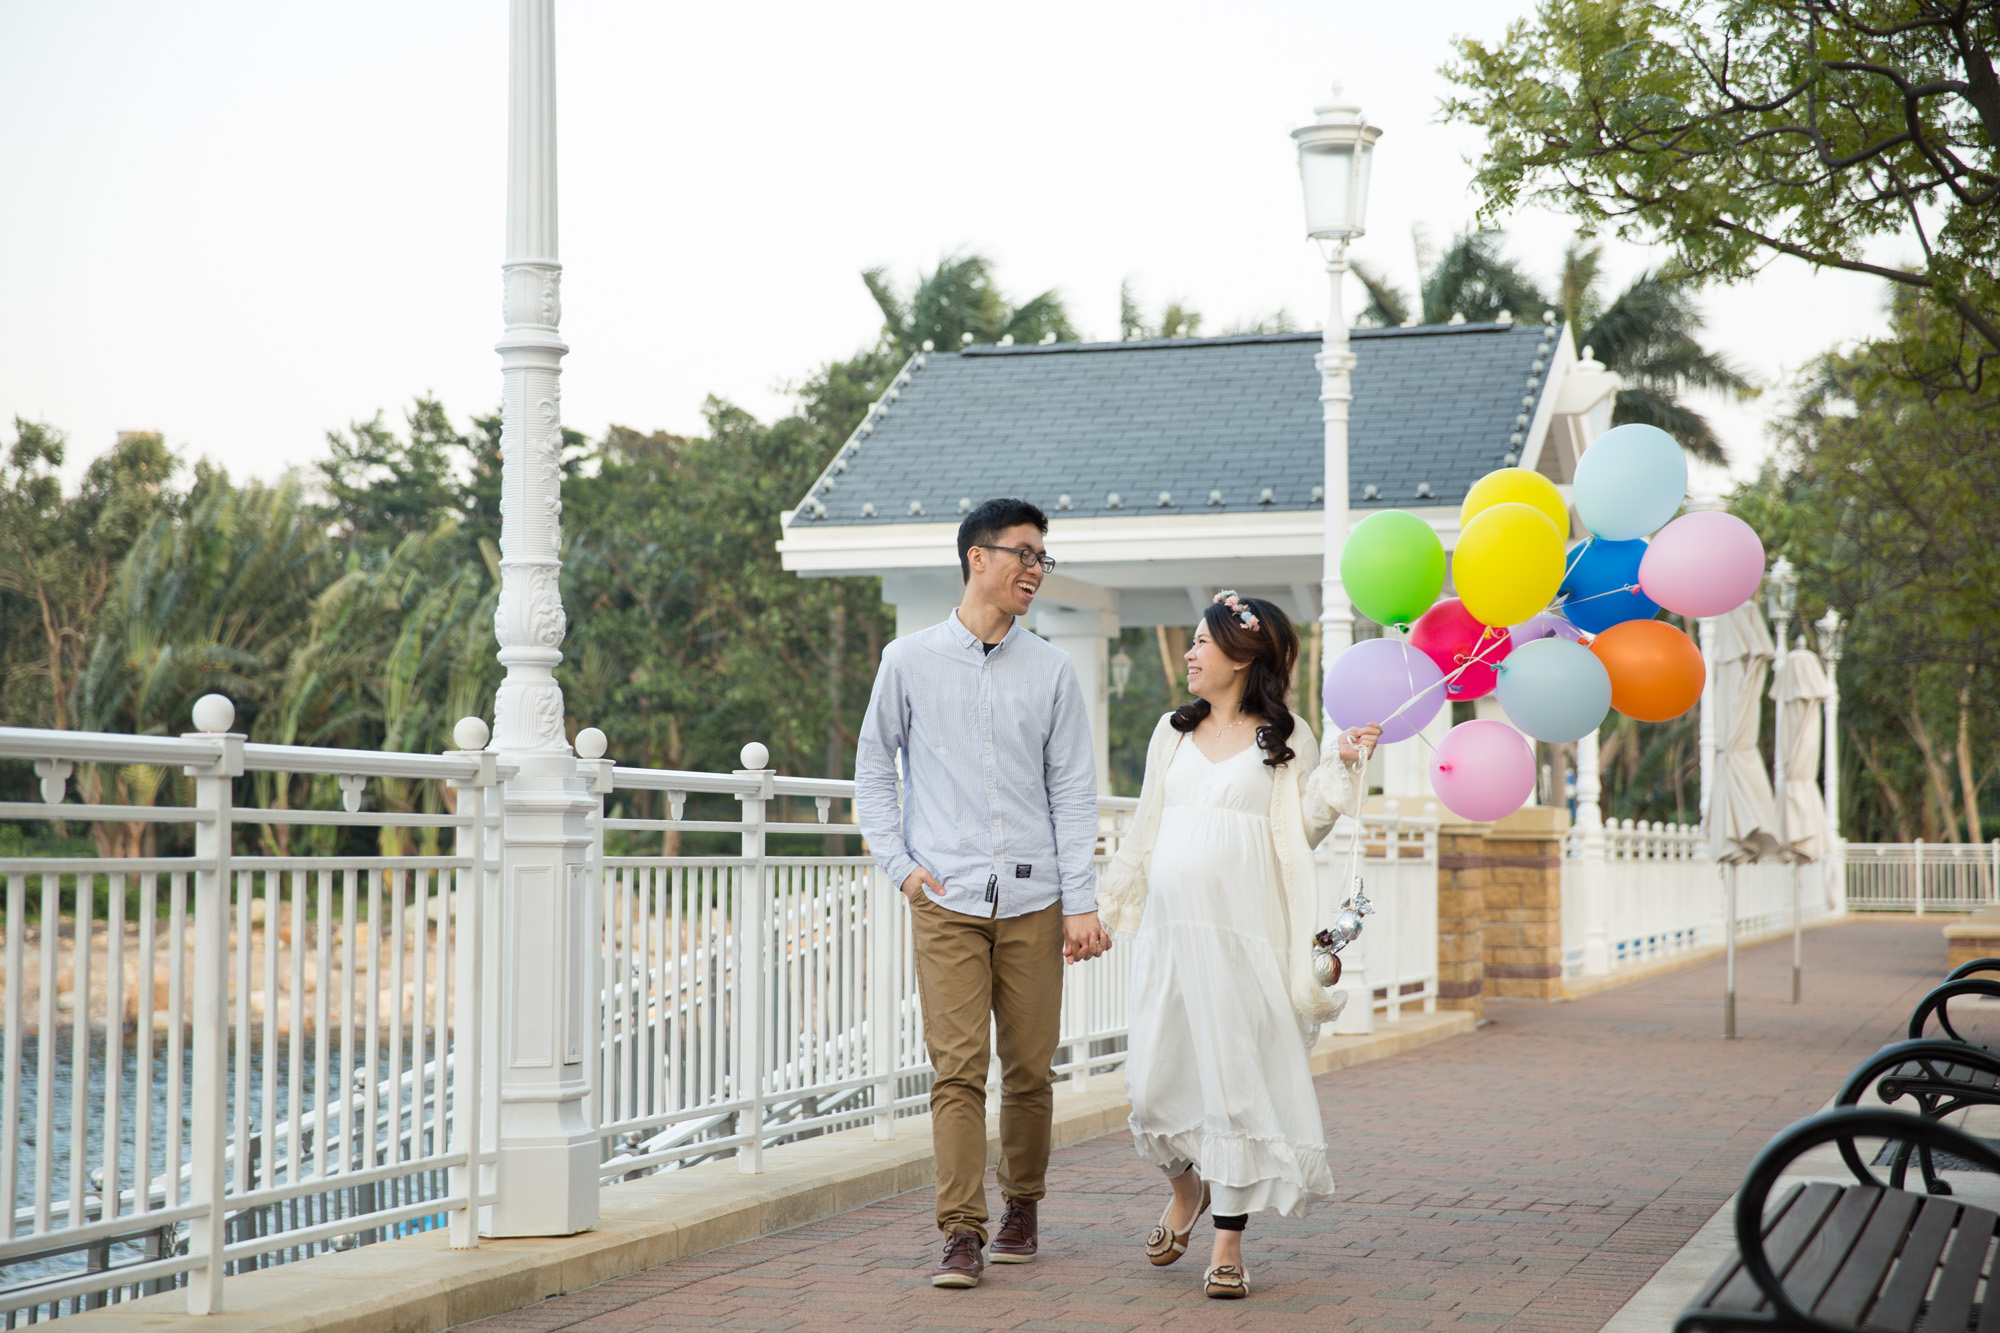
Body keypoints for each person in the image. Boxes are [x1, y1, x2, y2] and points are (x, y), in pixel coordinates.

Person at [855, 497, 1112, 1290]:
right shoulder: (908, 659)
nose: (1036, 569)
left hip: (1036, 898)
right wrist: (900, 866)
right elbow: (873, 769)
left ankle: (1022, 1204)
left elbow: (1074, 791)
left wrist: (1081, 899)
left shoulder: (1053, 669)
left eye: (1042, 558)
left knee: (1029, 1069)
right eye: (1024, 554)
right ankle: (961, 1228)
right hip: (945, 897)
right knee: (957, 1068)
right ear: (979, 557)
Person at [1098, 591, 1381, 1300]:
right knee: (1151, 1087)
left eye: (1202, 641)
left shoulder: (1284, 737)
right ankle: (1186, 1188)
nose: (1190, 652)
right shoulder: (1172, 730)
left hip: (1245, 939)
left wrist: (1342, 764)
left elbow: (1303, 825)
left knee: (1235, 1089)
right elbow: (1146, 823)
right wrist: (1109, 905)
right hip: (1171, 936)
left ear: (1243, 655)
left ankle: (1227, 1245)